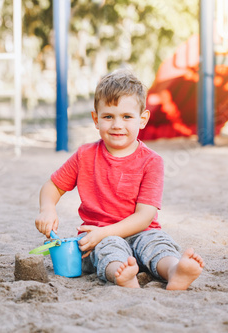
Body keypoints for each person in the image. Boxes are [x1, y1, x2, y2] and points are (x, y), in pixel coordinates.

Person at [34, 69, 204, 289]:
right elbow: (53, 186)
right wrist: (47, 208)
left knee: (157, 244)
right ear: (96, 119)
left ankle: (174, 271)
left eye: (126, 117)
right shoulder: (85, 155)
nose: (117, 125)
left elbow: (144, 217)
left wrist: (105, 231)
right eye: (108, 116)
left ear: (142, 120)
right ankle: (122, 275)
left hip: (141, 231)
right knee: (109, 248)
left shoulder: (152, 161)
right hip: (99, 236)